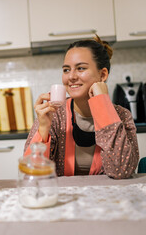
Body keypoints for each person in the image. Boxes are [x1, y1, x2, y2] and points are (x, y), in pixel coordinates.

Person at [24, 35, 139, 179]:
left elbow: (122, 171)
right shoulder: (55, 114)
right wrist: (43, 128)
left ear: (102, 75)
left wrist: (102, 104)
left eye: (81, 68)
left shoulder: (122, 115)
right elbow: (31, 172)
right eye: (66, 70)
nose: (71, 77)